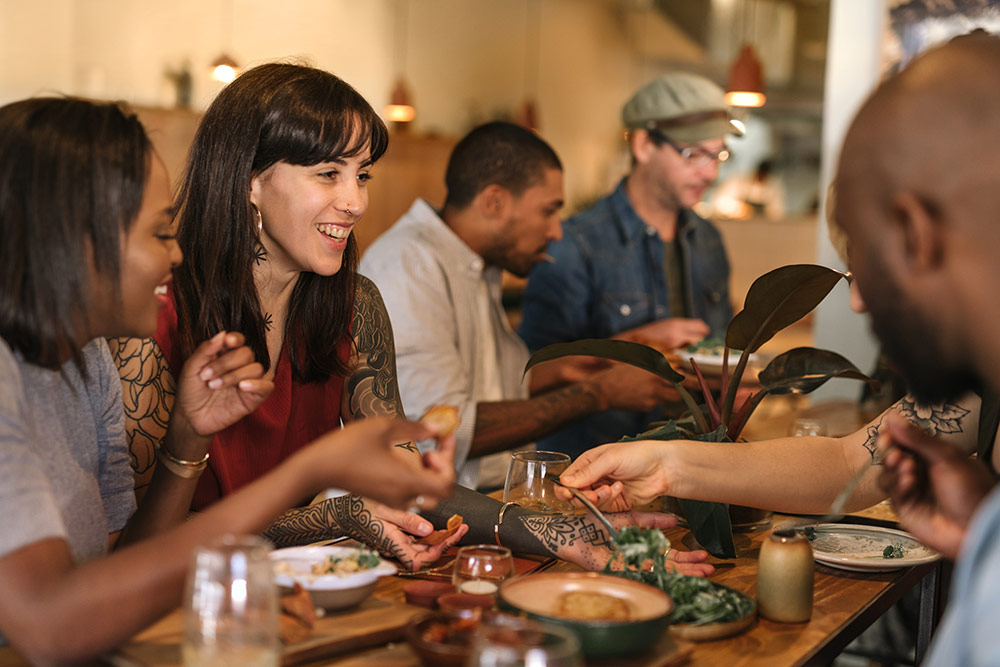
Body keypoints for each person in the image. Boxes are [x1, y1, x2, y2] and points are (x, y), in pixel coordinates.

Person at [116, 64, 713, 576]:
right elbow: (139, 546)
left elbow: (409, 479)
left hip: (311, 595)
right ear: (250, 180)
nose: (356, 201)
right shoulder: (153, 318)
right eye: (329, 174)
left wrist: (564, 534)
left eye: (362, 174)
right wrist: (334, 515)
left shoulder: (355, 303)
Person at [565, 33, 1000, 665]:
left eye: (865, 268)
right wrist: (668, 464)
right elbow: (847, 466)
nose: (855, 305)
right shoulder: (977, 386)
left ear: (918, 233)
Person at [0, 97, 456, 663]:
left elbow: (126, 567)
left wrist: (188, 440)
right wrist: (311, 474)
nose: (175, 254)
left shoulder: (84, 362)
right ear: (74, 241)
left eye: (361, 176)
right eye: (158, 233)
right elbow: (49, 629)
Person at [360, 121, 681, 490]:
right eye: (548, 211)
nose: (556, 232)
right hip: (412, 516)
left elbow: (484, 389)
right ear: (494, 202)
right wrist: (600, 392)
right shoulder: (408, 263)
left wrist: (578, 369)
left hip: (474, 505)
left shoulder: (474, 265)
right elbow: (435, 429)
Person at [518, 72, 742, 459]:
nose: (710, 172)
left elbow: (722, 346)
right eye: (693, 154)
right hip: (593, 469)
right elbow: (530, 376)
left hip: (697, 463)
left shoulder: (708, 240)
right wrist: (642, 343)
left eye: (718, 154)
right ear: (642, 144)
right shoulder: (574, 244)